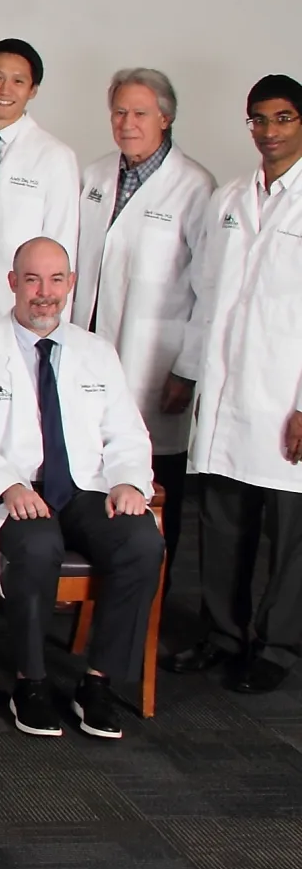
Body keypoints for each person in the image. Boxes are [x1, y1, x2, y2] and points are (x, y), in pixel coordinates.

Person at [0, 238, 159, 738]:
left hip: (87, 486)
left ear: (72, 285)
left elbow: (127, 432)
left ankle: (98, 682)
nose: (45, 293)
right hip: (17, 488)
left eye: (56, 280)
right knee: (38, 547)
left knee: (143, 543)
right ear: (13, 283)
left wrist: (128, 481)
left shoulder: (97, 353)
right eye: (33, 280)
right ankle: (31, 681)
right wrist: (9, 486)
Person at [168, 74, 302, 693]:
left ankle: (276, 643)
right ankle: (224, 634)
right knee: (222, 521)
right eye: (258, 120)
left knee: (289, 529)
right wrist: (191, 374)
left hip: (285, 395)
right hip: (226, 390)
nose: (269, 133)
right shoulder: (227, 199)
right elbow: (206, 298)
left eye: (282, 119)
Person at [75, 68, 213, 592]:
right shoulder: (94, 176)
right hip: (90, 349)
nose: (127, 123)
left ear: (166, 117)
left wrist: (188, 367)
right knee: (92, 473)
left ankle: (150, 593)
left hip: (156, 361)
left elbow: (209, 287)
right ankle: (89, 590)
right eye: (119, 112)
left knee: (155, 481)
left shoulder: (195, 187)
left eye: (139, 113)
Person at [0, 39, 81, 329]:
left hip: (15, 317)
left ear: (33, 90)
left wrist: (51, 330)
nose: (5, 90)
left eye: (18, 81)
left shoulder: (55, 157)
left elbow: (61, 250)